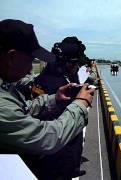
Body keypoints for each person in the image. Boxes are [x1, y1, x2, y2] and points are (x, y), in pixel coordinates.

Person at [0, 19, 94, 179]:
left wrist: (54, 99)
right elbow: (48, 137)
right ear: (12, 58)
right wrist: (81, 103)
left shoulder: (7, 88)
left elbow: (22, 109)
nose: (31, 68)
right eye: (29, 60)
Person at [32, 36, 87, 179]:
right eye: (76, 64)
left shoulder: (47, 75)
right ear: (70, 63)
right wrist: (82, 100)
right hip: (57, 145)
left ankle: (73, 168)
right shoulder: (60, 81)